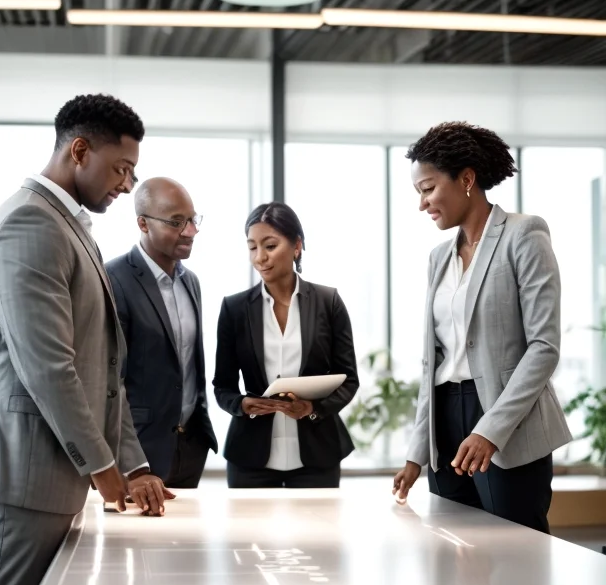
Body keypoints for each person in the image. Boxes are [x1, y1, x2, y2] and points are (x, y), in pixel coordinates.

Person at [0, 94, 173, 585]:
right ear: (79, 150)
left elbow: (104, 368)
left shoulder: (69, 226)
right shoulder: (30, 224)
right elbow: (48, 366)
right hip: (26, 474)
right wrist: (102, 466)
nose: (126, 185)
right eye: (121, 169)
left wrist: (131, 462)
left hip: (51, 473)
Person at [392, 121, 572, 534]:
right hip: (445, 422)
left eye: (428, 188)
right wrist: (417, 452)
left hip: (507, 421)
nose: (422, 204)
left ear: (467, 179)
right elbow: (433, 361)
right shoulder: (439, 257)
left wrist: (491, 430)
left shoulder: (524, 234)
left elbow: (543, 346)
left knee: (516, 550)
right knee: (452, 548)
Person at [213, 202, 359, 488]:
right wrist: (242, 405)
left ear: (297, 246)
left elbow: (349, 380)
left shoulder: (328, 302)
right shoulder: (234, 309)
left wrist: (312, 408)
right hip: (250, 457)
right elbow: (222, 386)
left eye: (270, 246)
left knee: (317, 521)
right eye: (252, 247)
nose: (260, 257)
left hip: (317, 455)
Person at [105, 178, 218, 487]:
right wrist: (129, 461)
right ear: (143, 223)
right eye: (176, 222)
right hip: (139, 452)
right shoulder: (113, 279)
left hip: (190, 448)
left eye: (193, 220)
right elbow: (109, 380)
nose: (190, 231)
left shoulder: (190, 281)